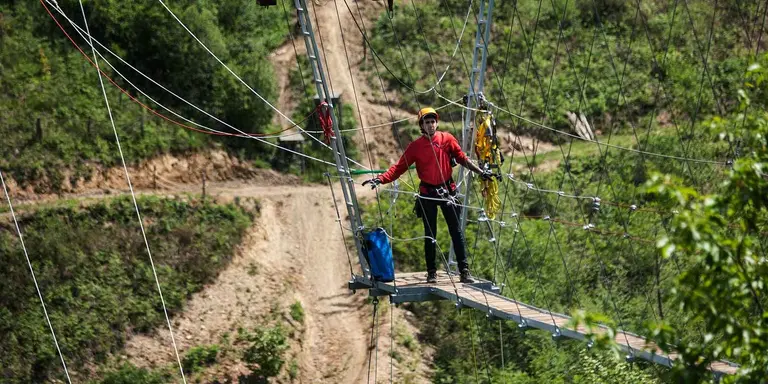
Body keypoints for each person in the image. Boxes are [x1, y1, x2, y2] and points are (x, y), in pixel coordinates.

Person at [363, 107, 492, 284]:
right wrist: (380, 179)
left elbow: (462, 157)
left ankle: (464, 271)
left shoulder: (447, 139)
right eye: (427, 122)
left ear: (436, 123)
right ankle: (431, 272)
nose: (430, 125)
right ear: (421, 125)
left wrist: (479, 172)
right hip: (427, 193)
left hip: (447, 191)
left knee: (456, 231)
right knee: (430, 234)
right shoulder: (415, 147)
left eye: (432, 121)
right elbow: (398, 168)